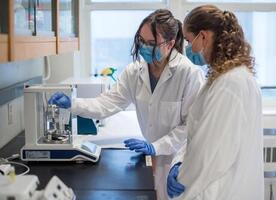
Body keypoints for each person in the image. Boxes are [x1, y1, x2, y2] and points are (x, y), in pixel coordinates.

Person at [49, 9, 204, 200]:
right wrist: (73, 104)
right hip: (156, 158)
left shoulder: (189, 74)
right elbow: (106, 103)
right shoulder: (134, 72)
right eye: (141, 40)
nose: (144, 47)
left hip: (183, 159)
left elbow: (191, 127)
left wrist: (157, 147)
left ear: (170, 44)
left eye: (151, 43)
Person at [166, 5, 264, 200]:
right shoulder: (224, 78)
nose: (187, 49)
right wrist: (178, 164)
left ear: (203, 36)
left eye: (188, 40)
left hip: (223, 191)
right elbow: (199, 135)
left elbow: (208, 155)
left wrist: (182, 178)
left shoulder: (230, 83)